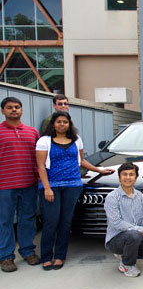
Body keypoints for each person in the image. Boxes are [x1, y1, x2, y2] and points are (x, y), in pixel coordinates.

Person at [36, 111, 114, 270]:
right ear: (53, 124)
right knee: (51, 221)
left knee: (66, 221)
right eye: (58, 122)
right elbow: (41, 166)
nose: (62, 124)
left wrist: (99, 170)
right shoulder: (44, 141)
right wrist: (47, 188)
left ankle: (59, 256)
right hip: (52, 186)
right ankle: (46, 256)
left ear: (69, 124)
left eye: (65, 122)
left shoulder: (76, 140)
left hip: (73, 185)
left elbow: (82, 161)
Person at [104, 162, 143, 277]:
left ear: (136, 177)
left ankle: (127, 254)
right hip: (115, 240)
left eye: (131, 174)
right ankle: (127, 264)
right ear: (119, 177)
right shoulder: (112, 197)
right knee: (133, 234)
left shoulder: (138, 195)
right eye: (124, 174)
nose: (128, 177)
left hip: (135, 236)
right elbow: (116, 223)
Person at [0, 97, 41, 273]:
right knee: (5, 221)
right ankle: (6, 256)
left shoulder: (32, 132)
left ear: (22, 110)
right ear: (3, 111)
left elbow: (39, 158)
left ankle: (27, 251)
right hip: (5, 186)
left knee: (28, 219)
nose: (14, 110)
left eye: (17, 107)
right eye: (9, 107)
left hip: (29, 184)